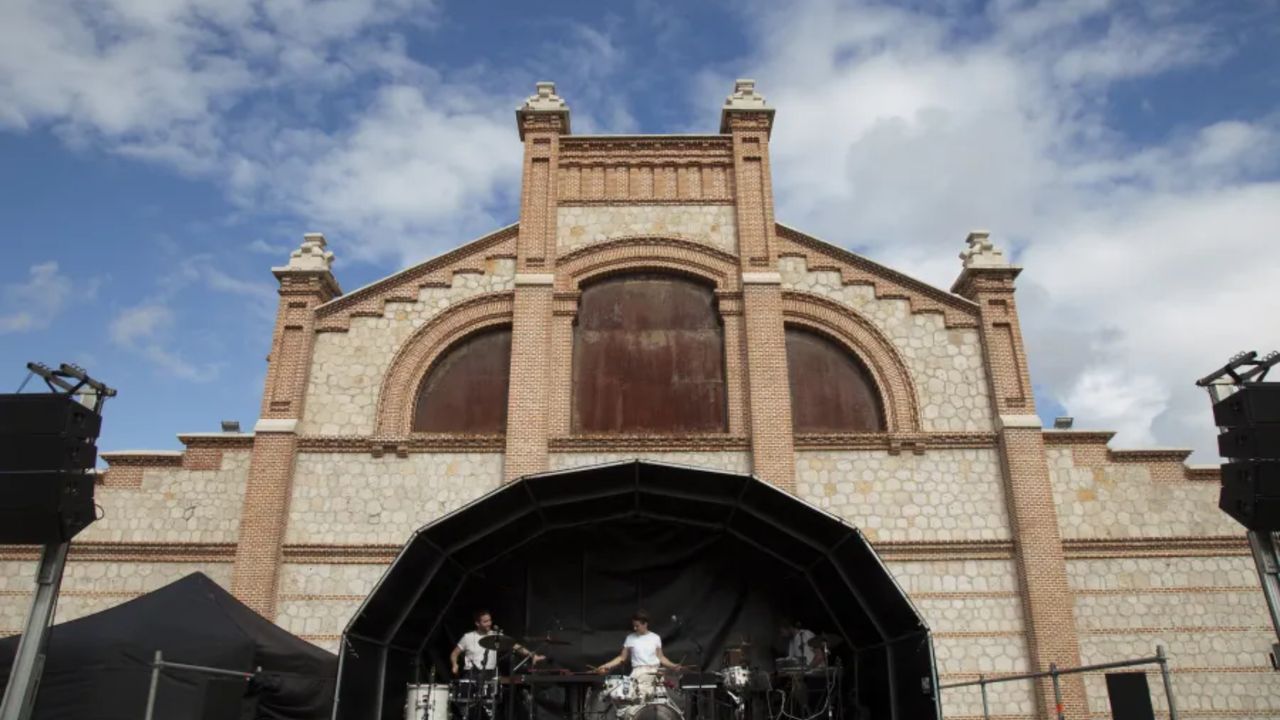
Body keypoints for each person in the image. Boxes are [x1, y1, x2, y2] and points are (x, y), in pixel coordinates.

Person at [592, 611, 684, 702]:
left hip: (654, 673)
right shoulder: (630, 638)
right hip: (638, 674)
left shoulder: (655, 638)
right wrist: (606, 665)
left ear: (645, 624)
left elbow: (661, 657)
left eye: (637, 625)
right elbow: (621, 657)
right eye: (634, 625)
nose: (635, 628)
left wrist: (673, 666)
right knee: (637, 704)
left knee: (658, 704)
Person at [451, 609, 545, 676]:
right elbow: (454, 654)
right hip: (471, 674)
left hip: (490, 673)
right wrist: (455, 664)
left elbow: (515, 646)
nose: (489, 623)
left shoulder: (495, 635)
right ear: (477, 623)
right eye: (485, 621)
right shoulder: (468, 637)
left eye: (490, 620)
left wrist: (532, 655)